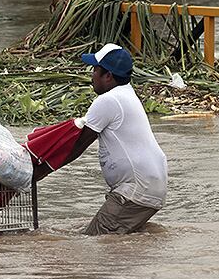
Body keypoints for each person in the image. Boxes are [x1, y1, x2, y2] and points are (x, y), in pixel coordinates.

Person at [65, 43, 168, 235]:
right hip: (150, 186)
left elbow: (78, 146)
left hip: (135, 190)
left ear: (108, 76)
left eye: (95, 69)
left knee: (95, 240)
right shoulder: (127, 94)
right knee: (121, 242)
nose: (92, 75)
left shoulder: (108, 100)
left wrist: (40, 168)